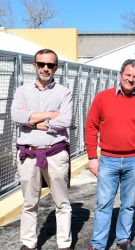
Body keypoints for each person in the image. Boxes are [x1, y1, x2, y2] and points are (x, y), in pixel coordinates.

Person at [85, 59, 135, 250]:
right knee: (103, 205)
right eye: (128, 75)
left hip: (134, 161)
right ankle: (98, 244)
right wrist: (92, 157)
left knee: (128, 205)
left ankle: (123, 239)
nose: (131, 79)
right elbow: (91, 127)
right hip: (108, 160)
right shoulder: (102, 98)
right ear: (120, 74)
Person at [11, 48, 73, 250]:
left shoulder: (64, 92)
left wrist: (31, 119)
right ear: (34, 66)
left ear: (56, 68)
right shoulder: (22, 91)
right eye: (41, 64)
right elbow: (16, 117)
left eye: (50, 65)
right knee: (29, 203)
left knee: (62, 203)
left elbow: (66, 120)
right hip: (28, 154)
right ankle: (28, 244)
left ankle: (64, 244)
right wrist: (49, 116)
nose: (45, 68)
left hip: (55, 153)